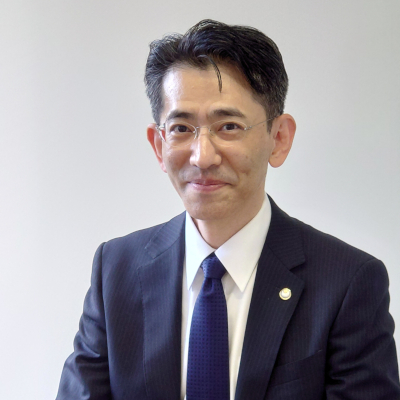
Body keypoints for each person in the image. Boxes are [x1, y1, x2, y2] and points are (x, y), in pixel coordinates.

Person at [56, 19, 400, 400]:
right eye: (181, 128)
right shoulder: (116, 271)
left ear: (279, 138)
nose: (202, 157)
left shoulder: (348, 284)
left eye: (229, 127)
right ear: (158, 144)